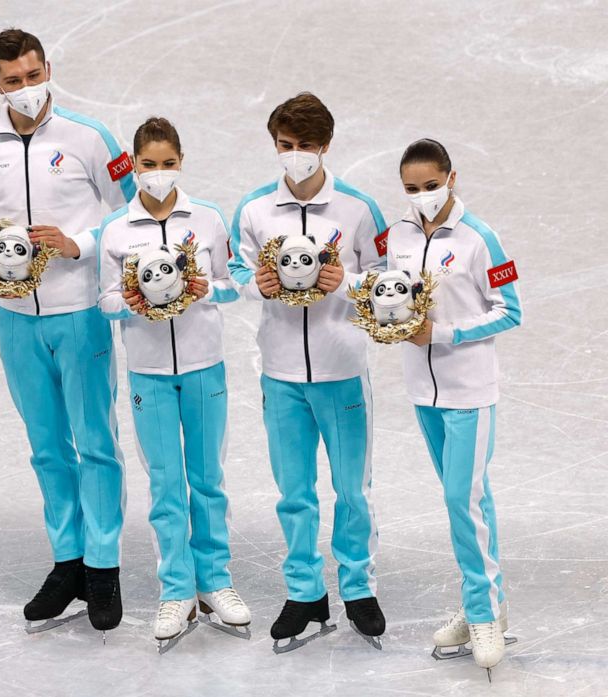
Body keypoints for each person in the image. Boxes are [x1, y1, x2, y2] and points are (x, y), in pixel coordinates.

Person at [0, 28, 135, 635]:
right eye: (14, 81)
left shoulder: (89, 138)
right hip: (15, 320)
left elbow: (132, 215)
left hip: (79, 312)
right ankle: (69, 561)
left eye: (35, 76)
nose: (27, 89)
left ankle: (104, 566)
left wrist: (79, 243)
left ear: (48, 69)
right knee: (46, 445)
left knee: (94, 441)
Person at [228, 92, 388, 650]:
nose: (297, 156)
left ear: (326, 146)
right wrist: (257, 284)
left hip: (343, 370)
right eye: (287, 146)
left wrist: (345, 281)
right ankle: (304, 592)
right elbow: (231, 271)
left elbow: (393, 285)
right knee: (294, 492)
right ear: (275, 145)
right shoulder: (253, 209)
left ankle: (358, 589)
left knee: (352, 490)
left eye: (308, 147)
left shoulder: (359, 209)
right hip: (281, 374)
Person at [97, 117, 250, 649]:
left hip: (205, 366)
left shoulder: (207, 220)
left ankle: (216, 582)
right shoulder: (116, 229)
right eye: (147, 165)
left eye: (166, 164)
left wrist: (208, 289)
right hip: (149, 372)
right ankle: (176, 588)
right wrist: (130, 301)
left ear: (180, 161)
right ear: (134, 166)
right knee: (165, 483)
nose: (157, 174)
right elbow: (106, 300)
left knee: (207, 479)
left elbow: (235, 285)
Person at [388, 138, 521, 674]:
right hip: (423, 392)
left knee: (459, 502)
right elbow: (385, 286)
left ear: (451, 177)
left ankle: (484, 613)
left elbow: (509, 310)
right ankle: (486, 602)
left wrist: (442, 333)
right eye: (412, 189)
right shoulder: (395, 235)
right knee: (471, 497)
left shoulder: (480, 238)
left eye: (430, 185)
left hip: (470, 391)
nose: (422, 196)